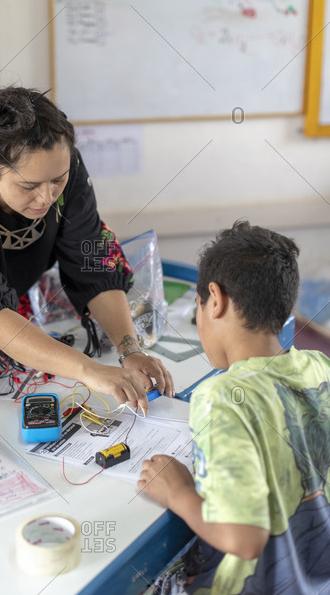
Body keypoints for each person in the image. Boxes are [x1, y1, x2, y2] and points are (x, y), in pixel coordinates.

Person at [0, 86, 174, 413]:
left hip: (5, 316)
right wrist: (88, 370)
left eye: (58, 180)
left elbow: (93, 265)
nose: (48, 197)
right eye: (29, 186)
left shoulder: (60, 165)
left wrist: (131, 350)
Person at [138, 221, 330, 594]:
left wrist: (177, 492)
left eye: (198, 309)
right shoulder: (321, 368)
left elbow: (244, 539)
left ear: (215, 299)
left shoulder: (221, 397)